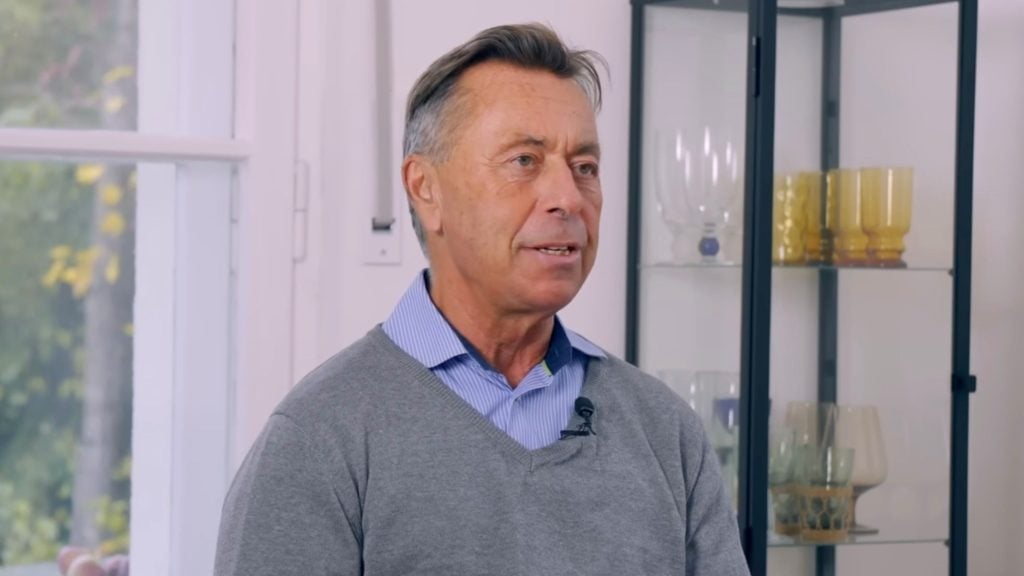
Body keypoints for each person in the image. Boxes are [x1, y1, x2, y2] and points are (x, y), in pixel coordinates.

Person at [214, 23, 750, 576]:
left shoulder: (665, 431)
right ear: (426, 190)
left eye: (585, 167)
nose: (568, 197)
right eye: (524, 161)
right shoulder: (319, 441)